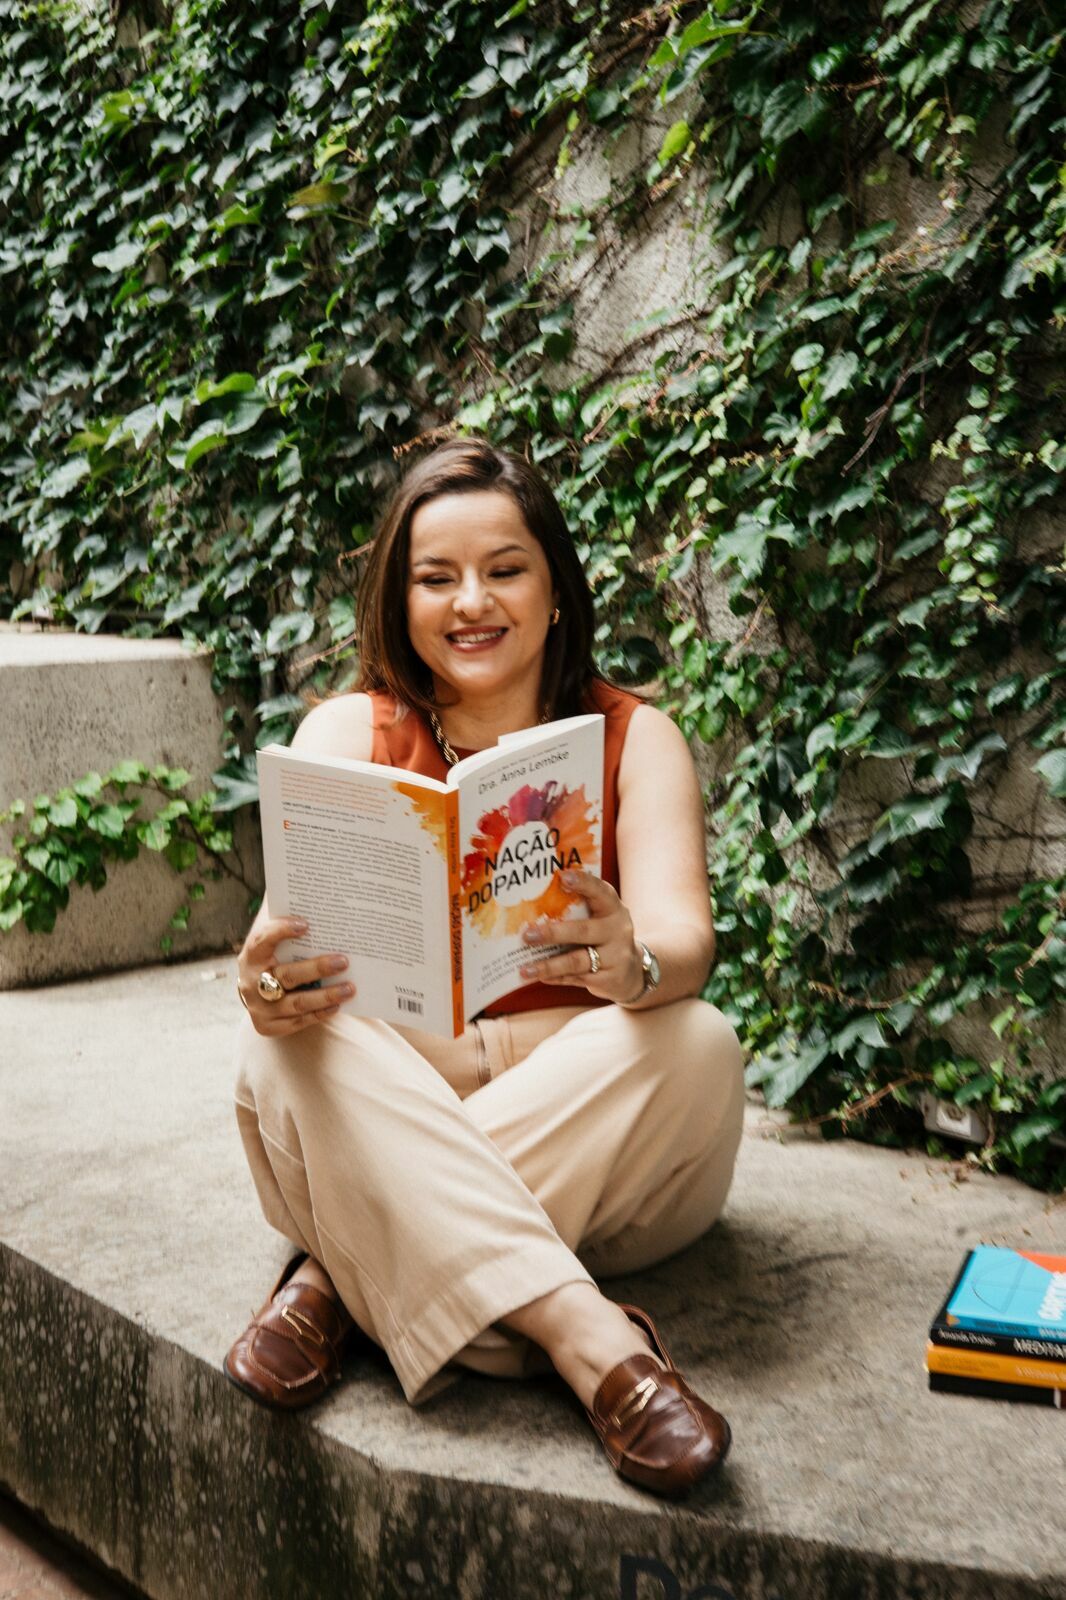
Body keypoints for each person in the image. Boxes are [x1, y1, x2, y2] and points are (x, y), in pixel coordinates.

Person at [225, 435, 745, 1499]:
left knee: (696, 1040)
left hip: (597, 1131)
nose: (472, 600)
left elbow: (685, 945)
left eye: (505, 568)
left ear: (555, 587)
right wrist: (269, 985)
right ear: (397, 600)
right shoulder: (345, 730)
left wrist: (633, 961)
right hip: (405, 1078)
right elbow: (288, 944)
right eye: (435, 576)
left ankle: (344, 1274)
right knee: (292, 1047)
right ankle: (591, 1339)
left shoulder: (635, 738)